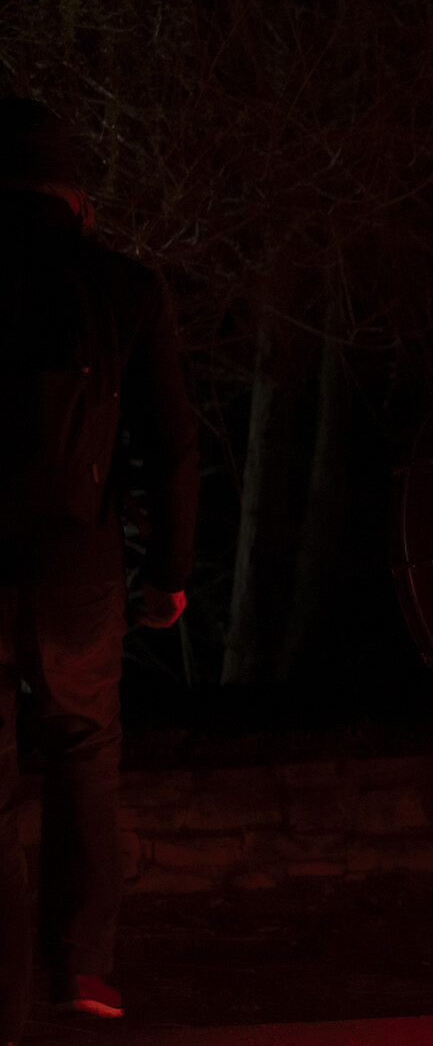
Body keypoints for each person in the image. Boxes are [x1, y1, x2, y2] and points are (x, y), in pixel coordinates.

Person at [0, 98, 200, 1041]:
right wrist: (170, 567)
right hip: (77, 561)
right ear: (77, 195)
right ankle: (80, 963)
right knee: (84, 750)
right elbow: (170, 443)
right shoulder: (123, 287)